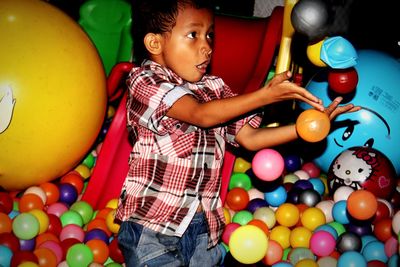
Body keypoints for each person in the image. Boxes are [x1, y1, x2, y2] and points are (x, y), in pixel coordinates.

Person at [115, 0, 359, 266]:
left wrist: (305, 128)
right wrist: (264, 96)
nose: (206, 46)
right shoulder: (145, 80)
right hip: (153, 227)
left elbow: (249, 139)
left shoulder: (214, 88)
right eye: (193, 35)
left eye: (210, 35)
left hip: (202, 230)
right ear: (155, 44)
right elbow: (201, 115)